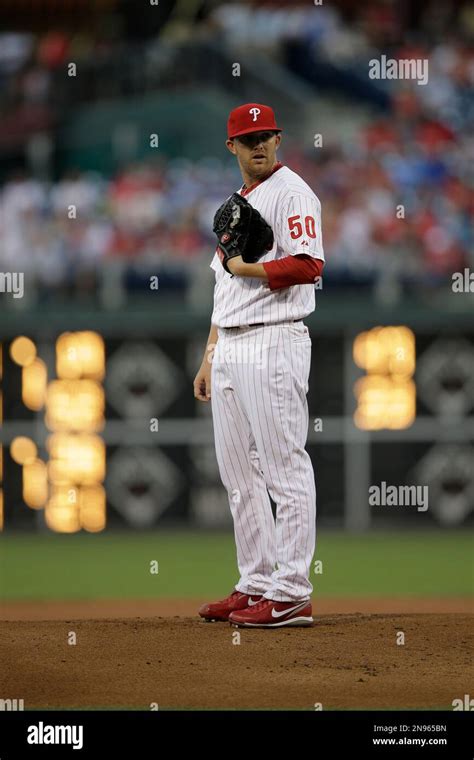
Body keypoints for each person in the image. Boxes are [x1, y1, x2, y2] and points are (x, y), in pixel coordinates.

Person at [193, 103, 324, 627]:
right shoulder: (236, 204)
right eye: (249, 139)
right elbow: (222, 288)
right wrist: (208, 356)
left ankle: (292, 590)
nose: (259, 145)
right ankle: (256, 582)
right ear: (232, 147)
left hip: (274, 341)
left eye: (266, 136)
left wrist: (246, 265)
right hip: (230, 346)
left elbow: (309, 264)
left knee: (283, 468)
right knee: (240, 475)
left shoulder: (292, 191)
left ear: (279, 139)